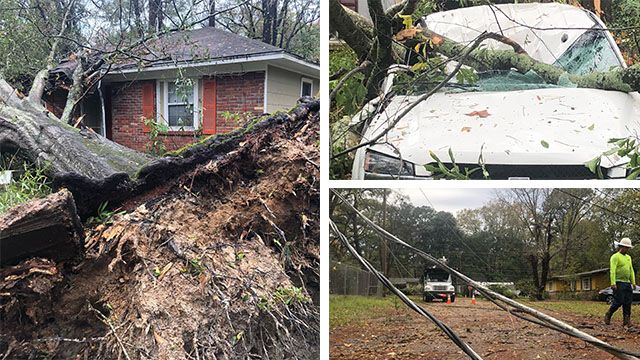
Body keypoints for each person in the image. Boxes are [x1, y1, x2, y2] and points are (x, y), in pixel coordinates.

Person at [604, 238, 636, 327]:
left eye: (628, 248)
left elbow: (631, 270)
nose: (627, 249)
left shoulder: (628, 258)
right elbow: (612, 270)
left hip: (627, 282)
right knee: (619, 301)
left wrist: (633, 282)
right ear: (621, 246)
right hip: (618, 282)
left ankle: (626, 321)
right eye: (626, 247)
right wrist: (613, 282)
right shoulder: (615, 256)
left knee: (628, 302)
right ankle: (609, 314)